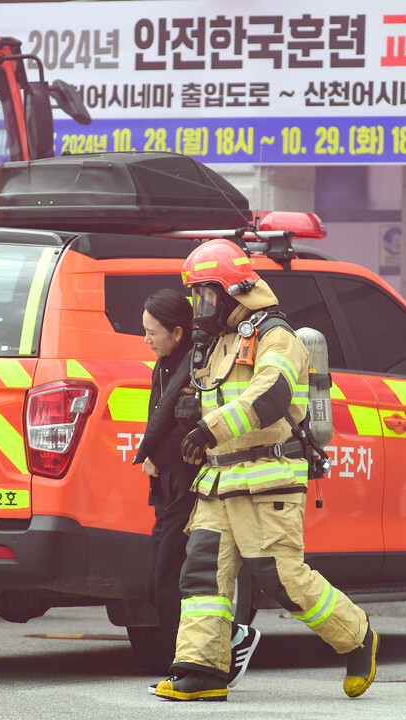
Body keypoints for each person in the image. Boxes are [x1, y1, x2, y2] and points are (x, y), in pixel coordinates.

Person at [154, 239, 378, 702]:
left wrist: (209, 429)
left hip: (267, 479)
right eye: (197, 296)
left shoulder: (277, 336)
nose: (201, 307)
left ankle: (357, 638)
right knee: (203, 578)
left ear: (233, 291)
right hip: (219, 481)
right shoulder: (219, 343)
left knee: (282, 578)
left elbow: (271, 394)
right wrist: (194, 427)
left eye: (207, 294)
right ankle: (203, 670)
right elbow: (216, 400)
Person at [133, 289, 261, 692]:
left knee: (171, 578)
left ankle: (192, 664)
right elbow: (159, 416)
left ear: (177, 332)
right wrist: (151, 458)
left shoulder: (199, 366)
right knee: (156, 582)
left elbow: (191, 427)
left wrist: (156, 455)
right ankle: (228, 639)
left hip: (190, 484)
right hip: (167, 486)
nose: (146, 340)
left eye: (152, 332)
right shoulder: (165, 364)